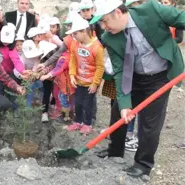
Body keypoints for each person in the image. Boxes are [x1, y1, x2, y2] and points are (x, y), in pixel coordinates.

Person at [91, 0, 185, 178]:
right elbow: (119, 71)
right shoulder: (109, 37)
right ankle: (115, 150)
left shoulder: (151, 10)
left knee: (150, 123)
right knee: (119, 111)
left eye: (104, 21)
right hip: (132, 77)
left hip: (160, 77)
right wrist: (125, 104)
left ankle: (143, 164)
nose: (103, 27)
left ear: (118, 12)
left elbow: (182, 18)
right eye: (100, 23)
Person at [65, 15, 104, 134]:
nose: (73, 37)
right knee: (78, 102)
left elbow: (100, 67)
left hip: (91, 82)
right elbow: (72, 59)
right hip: (79, 80)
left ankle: (88, 124)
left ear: (84, 32)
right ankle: (78, 122)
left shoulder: (97, 47)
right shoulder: (75, 44)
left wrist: (95, 83)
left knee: (88, 104)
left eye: (75, 34)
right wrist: (72, 75)